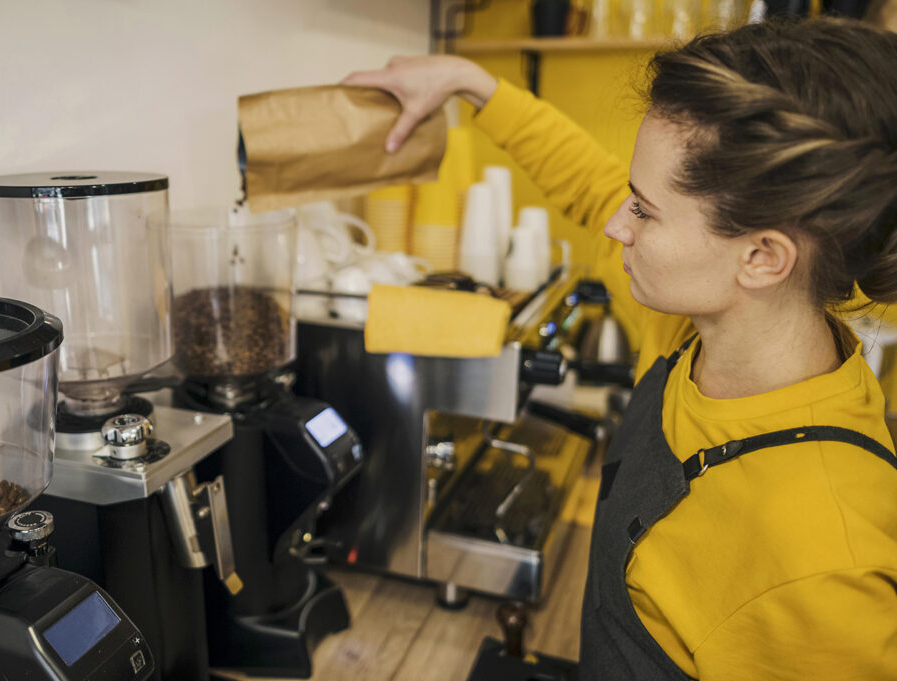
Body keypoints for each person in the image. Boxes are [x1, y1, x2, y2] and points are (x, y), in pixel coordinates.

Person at [344, 18, 897, 681]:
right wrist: (468, 83)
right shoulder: (691, 326)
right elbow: (586, 179)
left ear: (761, 255)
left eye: (643, 210)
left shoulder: (826, 561)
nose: (615, 222)